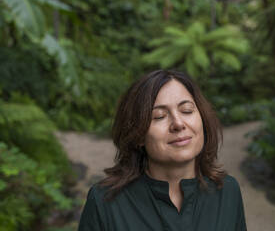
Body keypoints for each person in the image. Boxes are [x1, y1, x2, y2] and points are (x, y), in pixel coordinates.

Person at [78, 70, 247, 231]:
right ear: (137, 135)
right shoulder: (105, 202)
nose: (178, 123)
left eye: (186, 110)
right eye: (159, 116)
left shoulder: (227, 192)